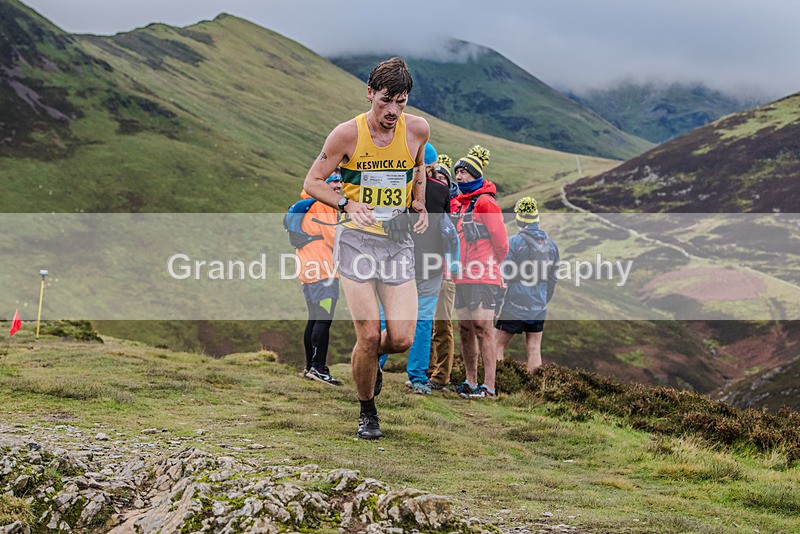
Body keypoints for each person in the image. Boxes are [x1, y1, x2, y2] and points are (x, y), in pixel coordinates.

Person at [303, 57, 430, 439]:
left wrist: (419, 202)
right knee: (370, 334)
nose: (392, 110)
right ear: (370, 94)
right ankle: (367, 411)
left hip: (396, 242)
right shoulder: (346, 134)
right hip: (356, 241)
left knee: (403, 337)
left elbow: (419, 167)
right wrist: (345, 204)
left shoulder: (418, 130)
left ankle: (367, 365)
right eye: (385, 100)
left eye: (401, 101)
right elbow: (312, 182)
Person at [451, 146, 508, 399]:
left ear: (476, 175)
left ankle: (490, 387)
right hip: (462, 275)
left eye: (464, 172)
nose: (459, 176)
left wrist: (495, 266)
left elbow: (501, 241)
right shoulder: (461, 205)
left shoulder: (486, 202)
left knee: (483, 327)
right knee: (465, 328)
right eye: (457, 172)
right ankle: (470, 381)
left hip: (483, 274)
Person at [402, 143, 451, 395]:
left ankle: (374, 364)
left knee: (387, 315)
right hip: (431, 264)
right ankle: (418, 377)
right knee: (423, 320)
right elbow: (447, 228)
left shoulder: (400, 187)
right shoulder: (442, 190)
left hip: (400, 262)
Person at [495, 196, 559, 372]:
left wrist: (497, 305)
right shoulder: (552, 245)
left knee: (497, 344)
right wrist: (544, 300)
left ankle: (499, 382)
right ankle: (534, 388)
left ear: (519, 220)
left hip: (516, 302)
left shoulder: (514, 242)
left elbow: (504, 276)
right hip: (539, 303)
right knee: (534, 348)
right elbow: (553, 279)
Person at [297, 172, 344, 386]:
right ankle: (318, 367)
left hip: (307, 269)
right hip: (323, 271)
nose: (338, 185)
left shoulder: (307, 200)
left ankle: (310, 366)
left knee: (314, 318)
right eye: (333, 181)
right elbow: (333, 237)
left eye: (339, 181)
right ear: (323, 184)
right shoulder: (323, 204)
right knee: (323, 319)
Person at [428, 154, 460, 390]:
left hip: (445, 274)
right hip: (428, 271)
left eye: (443, 178)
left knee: (442, 325)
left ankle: (441, 376)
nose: (438, 181)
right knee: (427, 326)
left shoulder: (453, 208)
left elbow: (453, 243)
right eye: (435, 176)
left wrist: (451, 271)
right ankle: (428, 372)